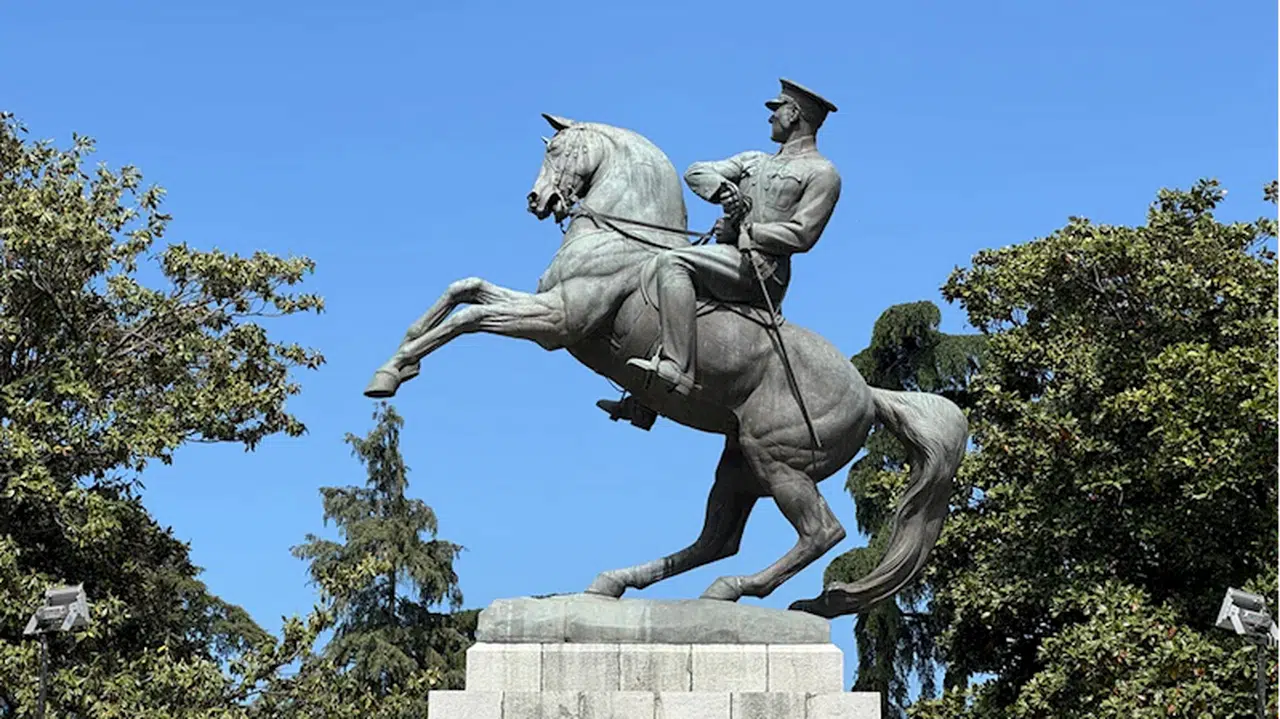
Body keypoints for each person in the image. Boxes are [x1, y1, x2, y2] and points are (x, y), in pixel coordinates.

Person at [598, 78, 843, 427]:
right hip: (730, 259)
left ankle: (677, 369)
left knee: (673, 263)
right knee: (664, 284)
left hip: (761, 270)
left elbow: (803, 234)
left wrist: (746, 232)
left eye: (777, 110)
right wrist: (723, 189)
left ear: (794, 114)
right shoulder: (754, 161)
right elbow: (696, 171)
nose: (771, 117)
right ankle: (644, 401)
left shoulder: (822, 173)